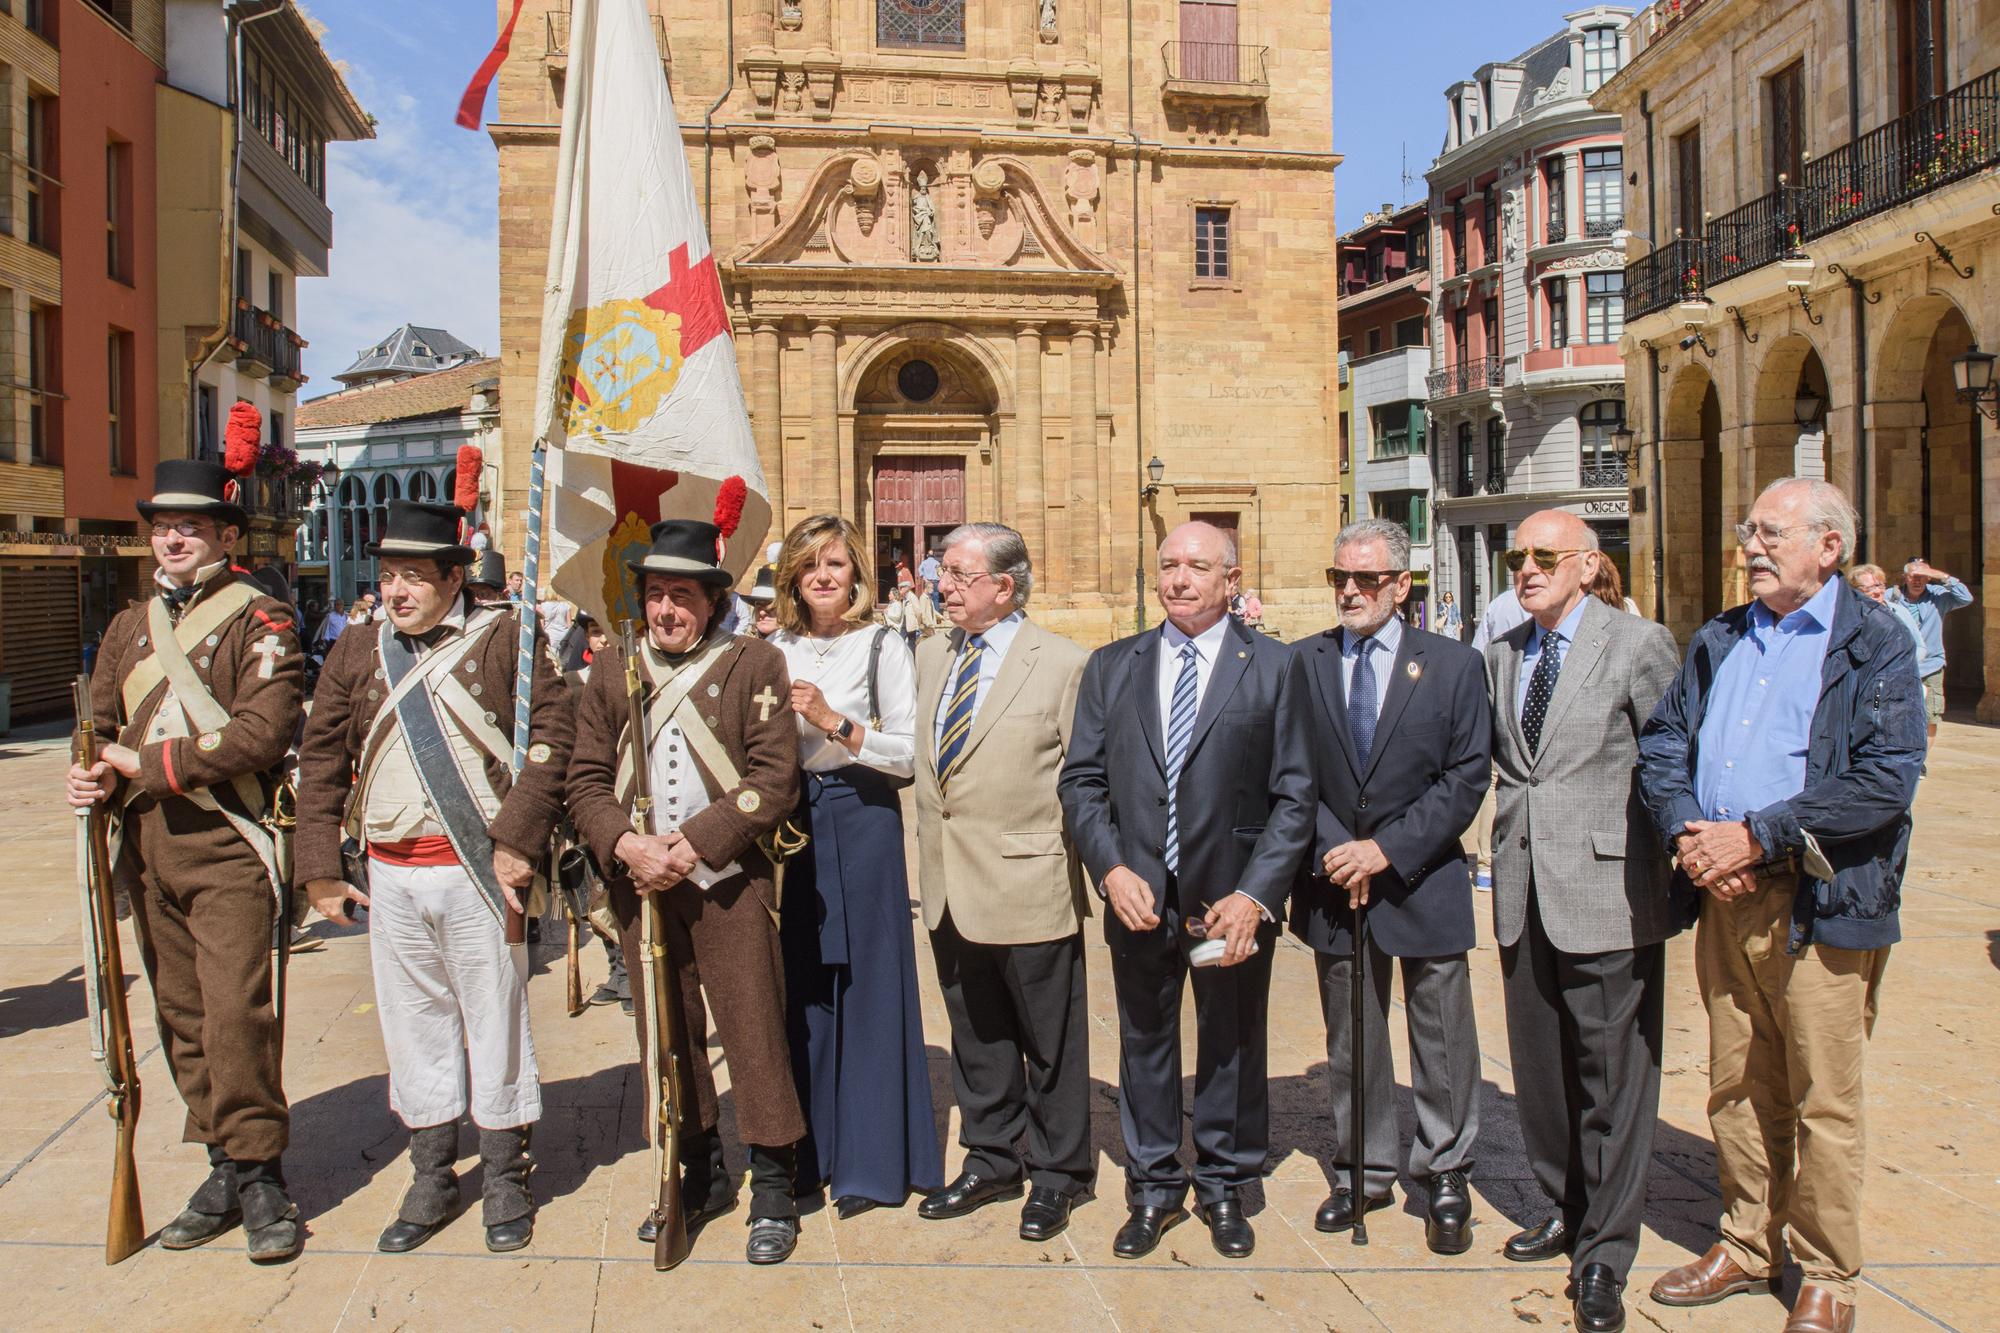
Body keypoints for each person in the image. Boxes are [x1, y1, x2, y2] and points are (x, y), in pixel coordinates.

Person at [1638, 478, 1925, 1333]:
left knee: (1822, 1095)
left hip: (1819, 897)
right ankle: (1746, 1240)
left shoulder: (1875, 642)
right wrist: (1691, 832)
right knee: (1735, 1080)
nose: (1751, 546)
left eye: (1770, 532)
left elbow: (1884, 777)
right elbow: (1664, 740)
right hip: (1724, 891)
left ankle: (1828, 1271)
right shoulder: (1721, 635)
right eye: (1747, 530)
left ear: (1829, 547)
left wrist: (1756, 837)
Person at [296, 499, 572, 1256]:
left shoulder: (508, 637)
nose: (396, 590)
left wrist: (518, 838)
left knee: (496, 1020)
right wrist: (319, 868)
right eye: (389, 575)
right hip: (391, 872)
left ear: (454, 578)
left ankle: (506, 1172)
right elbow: (321, 756)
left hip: (480, 869)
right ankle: (431, 1173)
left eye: (414, 576)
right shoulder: (358, 648)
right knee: (412, 1023)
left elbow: (553, 739)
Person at [66, 459, 306, 1263]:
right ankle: (221, 1164)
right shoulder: (127, 627)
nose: (172, 537)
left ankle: (261, 1171)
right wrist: (92, 772)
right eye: (163, 526)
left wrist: (146, 764)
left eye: (191, 526)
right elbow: (100, 728)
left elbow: (262, 732)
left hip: (227, 842)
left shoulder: (261, 617)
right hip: (146, 847)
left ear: (226, 537)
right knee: (182, 1015)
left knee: (237, 1013)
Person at [1058, 521, 1313, 1261]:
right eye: (1169, 564)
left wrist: (1256, 894)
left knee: (1231, 1038)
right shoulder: (1114, 665)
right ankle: (1153, 1185)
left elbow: (1295, 794)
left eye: (1198, 566)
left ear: (1232, 580)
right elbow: (1082, 781)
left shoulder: (1275, 666)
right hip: (1138, 892)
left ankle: (1226, 1183)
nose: (1178, 579)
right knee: (1144, 1038)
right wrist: (1109, 868)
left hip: (1228, 899)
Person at [564, 518, 808, 1263]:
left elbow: (774, 779)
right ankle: (698, 1172)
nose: (666, 609)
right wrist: (626, 844)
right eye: (656, 594)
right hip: (642, 885)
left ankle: (774, 1184)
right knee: (668, 1039)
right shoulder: (614, 666)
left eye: (682, 595)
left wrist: (693, 843)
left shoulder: (755, 662)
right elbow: (585, 778)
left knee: (754, 1031)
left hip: (728, 881)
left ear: (712, 601)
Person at [1486, 510, 1682, 1333]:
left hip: (1609, 892)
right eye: (1517, 556)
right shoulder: (1503, 653)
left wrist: (1683, 865)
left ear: (1588, 564)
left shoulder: (1638, 644)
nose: (1526, 569)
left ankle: (1605, 1249)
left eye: (1544, 555)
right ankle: (1566, 1206)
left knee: (1612, 1078)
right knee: (1541, 1073)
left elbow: (1671, 757)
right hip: (1522, 890)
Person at [1290, 519, 1489, 1254]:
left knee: (1442, 1033)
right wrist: (1336, 849)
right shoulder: (1303, 662)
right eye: (1339, 577)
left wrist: (1386, 850)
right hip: (1334, 878)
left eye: (1366, 579)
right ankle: (1363, 1170)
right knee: (1353, 1035)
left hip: (1421, 875)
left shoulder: (1454, 665)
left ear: (1402, 585)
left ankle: (1446, 1170)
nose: (1350, 591)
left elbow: (1466, 775)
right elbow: (1289, 772)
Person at [911, 524, 1093, 1241]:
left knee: (1050, 1040)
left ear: (1004, 587)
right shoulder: (932, 653)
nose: (942, 585)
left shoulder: (1064, 663)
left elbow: (1085, 778)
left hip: (1029, 881)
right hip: (950, 882)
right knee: (977, 1034)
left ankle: (1058, 1172)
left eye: (958, 574)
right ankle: (991, 1158)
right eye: (942, 571)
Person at [765, 515, 941, 1218]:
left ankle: (872, 1160)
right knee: (803, 981)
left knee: (868, 980)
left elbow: (908, 753)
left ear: (856, 575)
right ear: (791, 578)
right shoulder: (771, 650)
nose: (823, 576)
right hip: (791, 821)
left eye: (835, 563)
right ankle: (808, 1152)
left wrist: (835, 721)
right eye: (809, 564)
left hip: (863, 812)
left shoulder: (881, 646)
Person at [1889, 557, 1973, 742]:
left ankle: (1923, 757)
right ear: (1905, 577)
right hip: (1896, 667)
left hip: (1930, 666)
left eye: (1923, 576)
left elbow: (1966, 598)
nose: (1918, 581)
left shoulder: (1938, 597)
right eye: (1914, 576)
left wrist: (1940, 576)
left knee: (1930, 716)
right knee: (1891, 714)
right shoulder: (1891, 597)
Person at [1849, 565, 1924, 665]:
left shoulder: (1899, 612)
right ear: (1855, 590)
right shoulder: (1850, 617)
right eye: (1869, 588)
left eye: (1880, 585)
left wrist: (1903, 664)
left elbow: (1919, 646)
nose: (1877, 591)